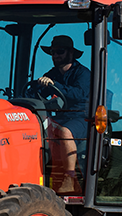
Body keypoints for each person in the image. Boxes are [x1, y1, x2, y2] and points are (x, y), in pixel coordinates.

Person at [36, 35, 90, 194]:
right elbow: (40, 91)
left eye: (59, 51)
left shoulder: (83, 74)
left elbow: (78, 94)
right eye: (53, 52)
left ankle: (69, 178)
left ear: (71, 53)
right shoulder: (52, 73)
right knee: (37, 128)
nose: (55, 56)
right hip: (61, 117)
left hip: (82, 117)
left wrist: (54, 85)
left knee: (65, 132)